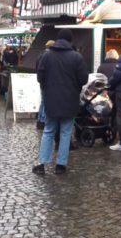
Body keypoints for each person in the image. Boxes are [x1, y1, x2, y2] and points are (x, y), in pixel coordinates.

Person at [33, 30, 88, 175]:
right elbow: (83, 79)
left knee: (48, 131)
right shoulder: (77, 57)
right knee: (65, 133)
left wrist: (47, 88)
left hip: (51, 100)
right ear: (70, 41)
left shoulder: (47, 56)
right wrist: (74, 87)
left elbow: (40, 77)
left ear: (57, 40)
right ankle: (60, 165)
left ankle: (42, 164)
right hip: (70, 101)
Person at [35, 40, 54, 131]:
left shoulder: (40, 55)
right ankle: (42, 121)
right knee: (45, 102)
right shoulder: (48, 56)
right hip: (47, 82)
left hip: (42, 82)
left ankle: (39, 120)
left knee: (43, 101)